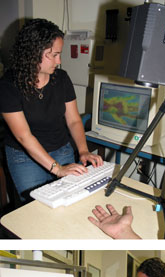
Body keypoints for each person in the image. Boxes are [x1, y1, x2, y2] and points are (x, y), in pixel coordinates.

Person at [0, 18, 103, 202]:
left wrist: (83, 150)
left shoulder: (61, 78)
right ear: (33, 53)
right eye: (53, 55)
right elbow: (24, 136)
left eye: (59, 54)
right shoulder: (8, 86)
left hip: (61, 149)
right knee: (36, 208)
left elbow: (73, 120)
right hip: (25, 157)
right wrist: (57, 169)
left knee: (68, 202)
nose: (59, 61)